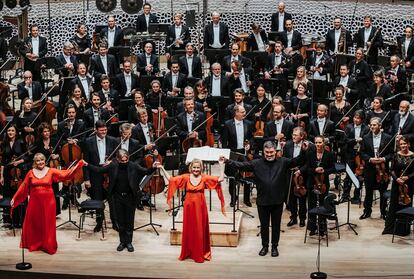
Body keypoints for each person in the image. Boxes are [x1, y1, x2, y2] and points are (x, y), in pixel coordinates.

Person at [222, 140, 307, 257]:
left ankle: (274, 247)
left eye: (271, 152)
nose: (269, 154)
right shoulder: (256, 163)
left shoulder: (283, 162)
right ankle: (265, 246)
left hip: (277, 201)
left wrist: (303, 150)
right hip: (262, 201)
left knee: (276, 226)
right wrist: (227, 161)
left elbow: (297, 161)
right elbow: (241, 165)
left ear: (275, 151)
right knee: (264, 225)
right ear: (263, 152)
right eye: (267, 152)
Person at [10, 153, 84, 254]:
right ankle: (36, 243)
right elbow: (24, 186)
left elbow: (66, 174)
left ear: (45, 161)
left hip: (48, 202)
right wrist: (15, 197)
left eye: (42, 160)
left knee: (47, 223)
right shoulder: (31, 172)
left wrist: (79, 164)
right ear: (35, 162)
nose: (40, 162)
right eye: (38, 160)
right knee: (35, 222)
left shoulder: (51, 170)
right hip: (34, 202)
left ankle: (48, 245)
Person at [84, 149, 155, 252]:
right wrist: (87, 165)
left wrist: (153, 166)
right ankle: (122, 242)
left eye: (126, 160)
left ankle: (129, 242)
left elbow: (146, 171)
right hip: (117, 197)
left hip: (130, 197)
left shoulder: (133, 165)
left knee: (129, 220)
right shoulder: (113, 166)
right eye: (122, 161)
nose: (124, 162)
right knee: (120, 221)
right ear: (117, 159)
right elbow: (99, 170)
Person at [158, 158, 225, 263]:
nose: (196, 169)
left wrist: (222, 165)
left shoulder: (204, 178)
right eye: (194, 167)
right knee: (189, 228)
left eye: (198, 167)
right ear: (191, 168)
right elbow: (171, 179)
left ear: (201, 168)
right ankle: (189, 251)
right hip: (189, 207)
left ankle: (199, 253)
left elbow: (220, 179)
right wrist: (162, 168)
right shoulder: (186, 177)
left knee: (199, 229)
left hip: (200, 207)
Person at [360, 117, 393, 220]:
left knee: (383, 191)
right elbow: (362, 153)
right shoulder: (365, 137)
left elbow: (392, 153)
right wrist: (370, 159)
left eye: (374, 125)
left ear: (380, 126)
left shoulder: (387, 137)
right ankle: (367, 211)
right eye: (371, 125)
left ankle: (383, 212)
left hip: (383, 169)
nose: (372, 127)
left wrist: (383, 159)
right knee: (368, 191)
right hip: (370, 168)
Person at [382, 137, 414, 236]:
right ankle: (390, 228)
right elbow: (391, 170)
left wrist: (407, 177)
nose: (403, 146)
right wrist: (397, 179)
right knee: (393, 205)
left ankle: (404, 230)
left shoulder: (413, 156)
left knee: (406, 204)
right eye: (401, 144)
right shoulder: (396, 155)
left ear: (408, 144)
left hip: (409, 184)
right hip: (397, 184)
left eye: (404, 143)